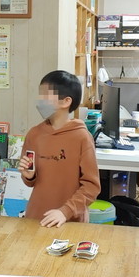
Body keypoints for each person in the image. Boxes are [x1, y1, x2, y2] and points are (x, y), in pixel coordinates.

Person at [19, 70, 100, 227]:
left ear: (66, 101)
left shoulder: (82, 137)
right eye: (40, 95)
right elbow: (30, 182)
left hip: (70, 222)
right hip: (36, 219)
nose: (40, 101)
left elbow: (92, 186)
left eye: (45, 96)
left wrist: (65, 211)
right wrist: (29, 177)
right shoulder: (34, 134)